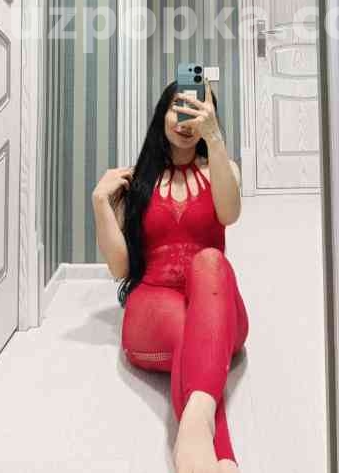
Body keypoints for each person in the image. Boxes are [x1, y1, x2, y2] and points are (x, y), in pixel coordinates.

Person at [92, 79, 249, 473]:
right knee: (186, 331)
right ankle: (215, 452)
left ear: (209, 118)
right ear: (161, 114)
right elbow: (120, 268)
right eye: (177, 108)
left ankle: (192, 436)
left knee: (210, 260)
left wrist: (215, 139)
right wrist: (100, 203)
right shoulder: (136, 181)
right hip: (153, 306)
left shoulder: (222, 168)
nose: (185, 120)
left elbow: (229, 214)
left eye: (197, 110)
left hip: (215, 305)